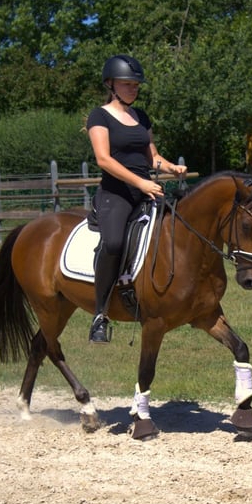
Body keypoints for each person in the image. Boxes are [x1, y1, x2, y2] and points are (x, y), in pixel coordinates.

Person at [85, 54, 187, 344]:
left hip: (146, 189)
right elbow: (104, 160)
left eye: (136, 84)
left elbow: (151, 157)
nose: (134, 89)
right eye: (128, 84)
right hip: (116, 193)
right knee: (115, 242)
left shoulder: (141, 117)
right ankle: (99, 315)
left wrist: (169, 167)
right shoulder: (99, 116)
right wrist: (140, 182)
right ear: (111, 84)